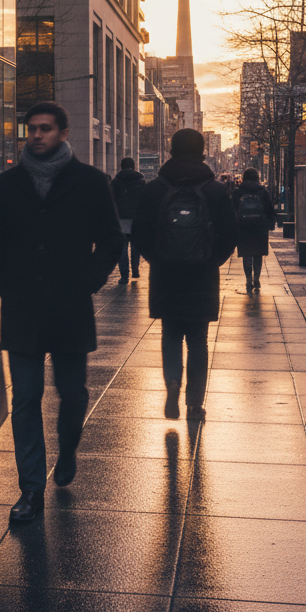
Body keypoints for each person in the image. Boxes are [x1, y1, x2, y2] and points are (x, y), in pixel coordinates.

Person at [0, 101, 123, 525]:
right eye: (31, 129)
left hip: (70, 308)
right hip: (21, 307)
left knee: (73, 395)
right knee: (26, 399)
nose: (36, 135)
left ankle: (68, 448)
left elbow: (113, 241)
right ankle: (31, 489)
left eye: (45, 129)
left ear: (62, 133)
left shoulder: (91, 182)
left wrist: (87, 280)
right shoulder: (8, 184)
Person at [132, 129, 238, 423]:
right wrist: (212, 260)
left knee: (170, 334)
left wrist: (157, 258)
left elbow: (139, 232)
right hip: (202, 276)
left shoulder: (155, 188)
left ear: (171, 151)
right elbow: (230, 232)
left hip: (166, 274)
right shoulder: (215, 190)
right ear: (203, 151)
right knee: (198, 341)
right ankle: (194, 403)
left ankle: (172, 385)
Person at [232, 167, 276, 293]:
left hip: (243, 227)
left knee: (246, 254)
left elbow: (232, 209)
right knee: (258, 254)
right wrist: (270, 225)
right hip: (260, 227)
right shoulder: (263, 192)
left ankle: (248, 280)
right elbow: (270, 210)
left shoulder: (238, 192)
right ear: (257, 178)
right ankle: (257, 279)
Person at [111, 157, 145, 283]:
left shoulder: (115, 182)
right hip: (136, 220)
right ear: (134, 166)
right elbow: (145, 202)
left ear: (121, 167)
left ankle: (124, 276)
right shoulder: (141, 181)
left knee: (122, 249)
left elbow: (111, 201)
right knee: (135, 247)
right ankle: (135, 271)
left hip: (120, 221)